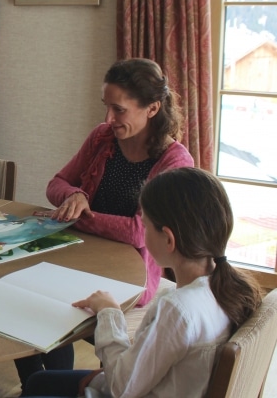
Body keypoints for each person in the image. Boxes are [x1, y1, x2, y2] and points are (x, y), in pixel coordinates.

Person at [15, 58, 194, 388]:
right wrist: (75, 195)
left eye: (119, 110)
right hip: (81, 256)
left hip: (131, 276)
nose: (108, 119)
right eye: (106, 107)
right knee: (16, 295)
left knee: (41, 306)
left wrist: (82, 216)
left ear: (152, 108)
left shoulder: (174, 160)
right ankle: (44, 384)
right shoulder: (102, 137)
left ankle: (46, 386)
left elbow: (139, 232)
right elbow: (56, 183)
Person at [21, 167, 263, 397]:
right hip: (164, 385)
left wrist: (109, 313)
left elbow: (122, 387)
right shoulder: (230, 287)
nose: (143, 233)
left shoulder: (177, 309)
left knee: (37, 386)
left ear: (168, 239)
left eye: (145, 225)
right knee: (38, 382)